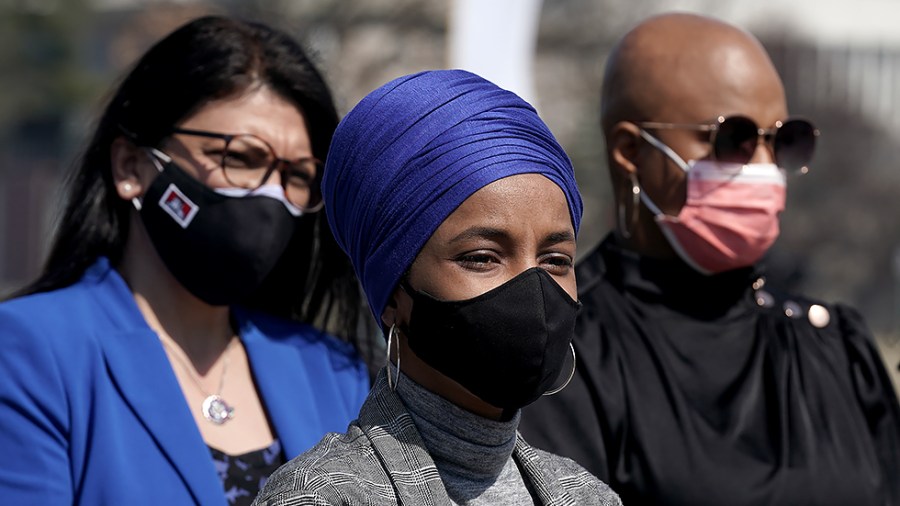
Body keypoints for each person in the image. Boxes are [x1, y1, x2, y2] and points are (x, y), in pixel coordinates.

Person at [519, 12, 900, 506]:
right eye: (734, 139)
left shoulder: (834, 346)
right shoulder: (563, 358)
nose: (765, 169)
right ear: (631, 151)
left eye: (783, 141)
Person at [0, 16, 372, 506]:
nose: (271, 196)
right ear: (133, 166)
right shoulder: (32, 351)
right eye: (241, 158)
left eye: (297, 176)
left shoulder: (332, 370)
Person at [252, 69, 622, 506]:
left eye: (555, 260)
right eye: (482, 257)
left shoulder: (588, 496)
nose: (533, 290)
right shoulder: (322, 497)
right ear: (393, 293)